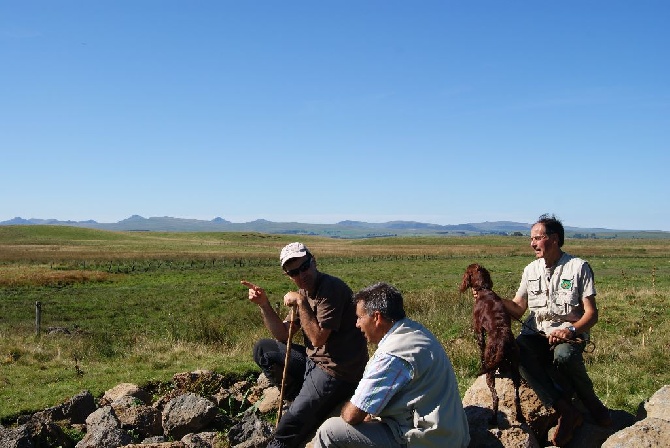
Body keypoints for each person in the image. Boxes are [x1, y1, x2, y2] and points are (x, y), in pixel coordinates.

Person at [242, 242, 368, 448]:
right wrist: (264, 304)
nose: (302, 275)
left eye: (304, 267)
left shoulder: (330, 289)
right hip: (314, 362)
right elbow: (283, 334)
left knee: (287, 426)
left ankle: (301, 416)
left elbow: (318, 339)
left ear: (314, 261)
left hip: (337, 372)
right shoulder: (306, 292)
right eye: (294, 273)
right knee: (264, 350)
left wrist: (300, 302)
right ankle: (302, 400)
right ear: (288, 276)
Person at [314, 282, 470, 448]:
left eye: (360, 317)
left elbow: (352, 415)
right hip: (449, 435)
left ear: (377, 317)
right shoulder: (416, 332)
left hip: (426, 440)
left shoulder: (391, 355)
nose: (357, 324)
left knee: (330, 431)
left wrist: (348, 409)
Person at [502, 214, 611, 447]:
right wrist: (491, 297)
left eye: (537, 238)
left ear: (554, 239)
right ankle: (565, 410)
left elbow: (592, 314)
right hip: (539, 333)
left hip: (570, 334)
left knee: (563, 355)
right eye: (531, 239)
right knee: (516, 351)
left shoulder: (578, 267)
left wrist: (570, 330)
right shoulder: (530, 270)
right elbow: (518, 309)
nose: (532, 244)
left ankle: (592, 404)